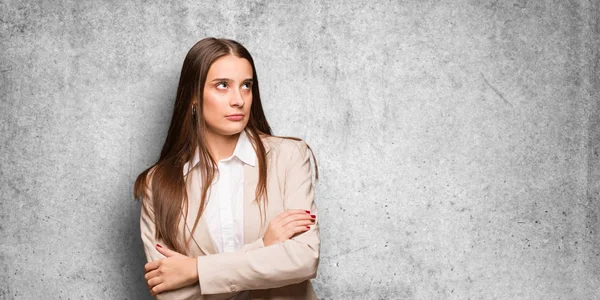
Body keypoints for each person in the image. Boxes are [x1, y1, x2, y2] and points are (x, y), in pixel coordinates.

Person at [133, 37, 320, 299]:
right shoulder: (159, 182)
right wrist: (264, 247)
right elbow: (170, 291)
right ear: (193, 98)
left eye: (246, 86)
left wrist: (196, 270)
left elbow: (303, 258)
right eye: (222, 86)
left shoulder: (289, 157)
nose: (239, 100)